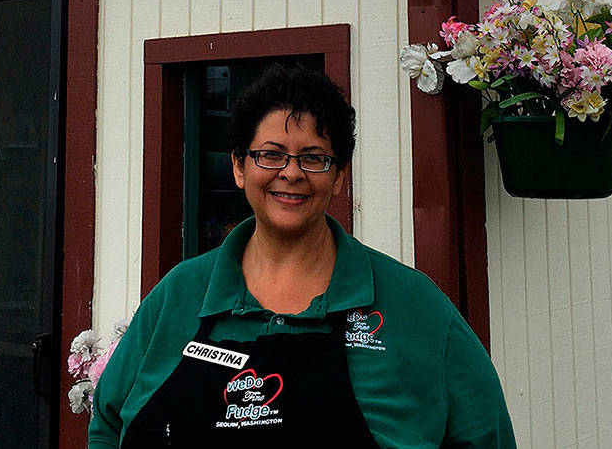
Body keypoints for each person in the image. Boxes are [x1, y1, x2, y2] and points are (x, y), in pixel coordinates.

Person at [88, 64, 516, 448]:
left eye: (313, 158)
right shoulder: (179, 295)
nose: (290, 173)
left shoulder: (412, 306)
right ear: (239, 166)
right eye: (270, 154)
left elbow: (486, 435)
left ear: (338, 177)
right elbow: (107, 425)